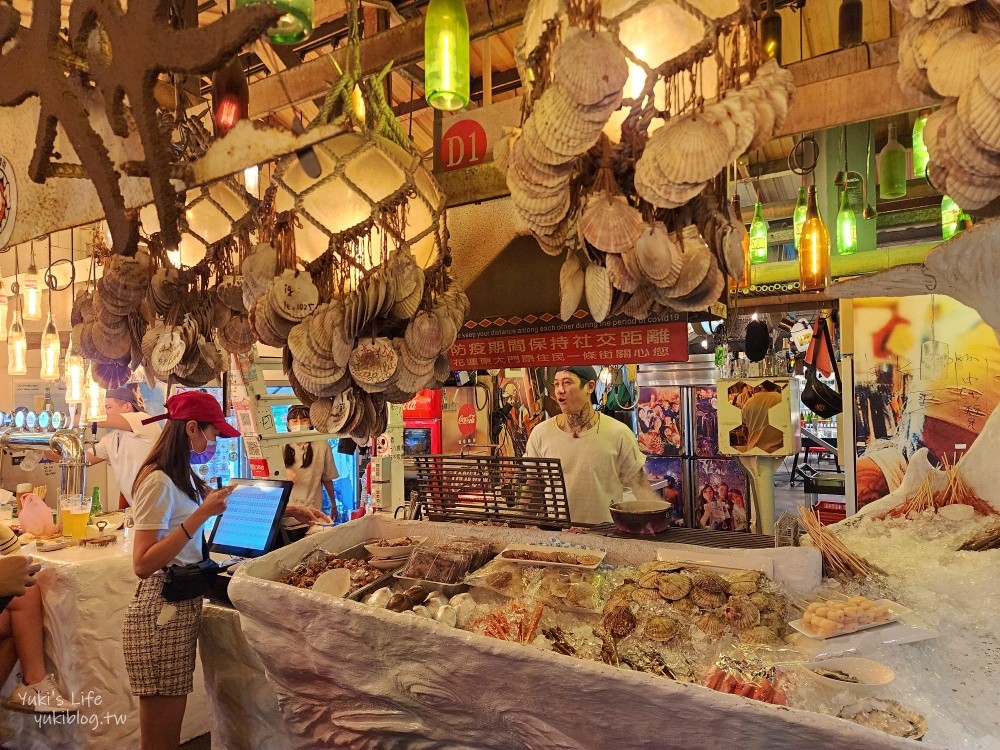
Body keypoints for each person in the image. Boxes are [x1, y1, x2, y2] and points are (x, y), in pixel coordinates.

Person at [124, 391, 241, 750]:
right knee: (160, 740)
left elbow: (225, 502)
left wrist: (292, 510)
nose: (214, 442)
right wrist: (199, 517)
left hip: (177, 609)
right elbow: (143, 563)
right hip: (162, 610)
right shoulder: (158, 480)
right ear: (191, 428)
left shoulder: (180, 475)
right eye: (213, 433)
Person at [524, 366, 659, 525]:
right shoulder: (541, 433)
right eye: (556, 384)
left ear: (589, 387)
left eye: (567, 383)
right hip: (558, 536)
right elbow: (533, 486)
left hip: (606, 533)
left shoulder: (618, 433)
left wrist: (657, 524)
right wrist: (516, 525)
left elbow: (640, 486)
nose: (560, 390)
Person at [47, 385, 161, 509]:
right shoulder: (111, 438)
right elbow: (78, 459)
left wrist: (58, 421)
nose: (104, 412)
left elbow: (95, 419)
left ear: (127, 406)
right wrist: (40, 451)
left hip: (159, 503)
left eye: (108, 407)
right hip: (139, 507)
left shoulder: (143, 420)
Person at [284, 405, 338, 518]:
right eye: (295, 421)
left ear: (311, 423)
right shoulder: (280, 446)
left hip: (312, 510)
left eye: (304, 420)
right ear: (288, 424)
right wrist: (284, 471)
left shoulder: (322, 446)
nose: (299, 424)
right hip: (286, 511)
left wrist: (334, 505)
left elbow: (327, 479)